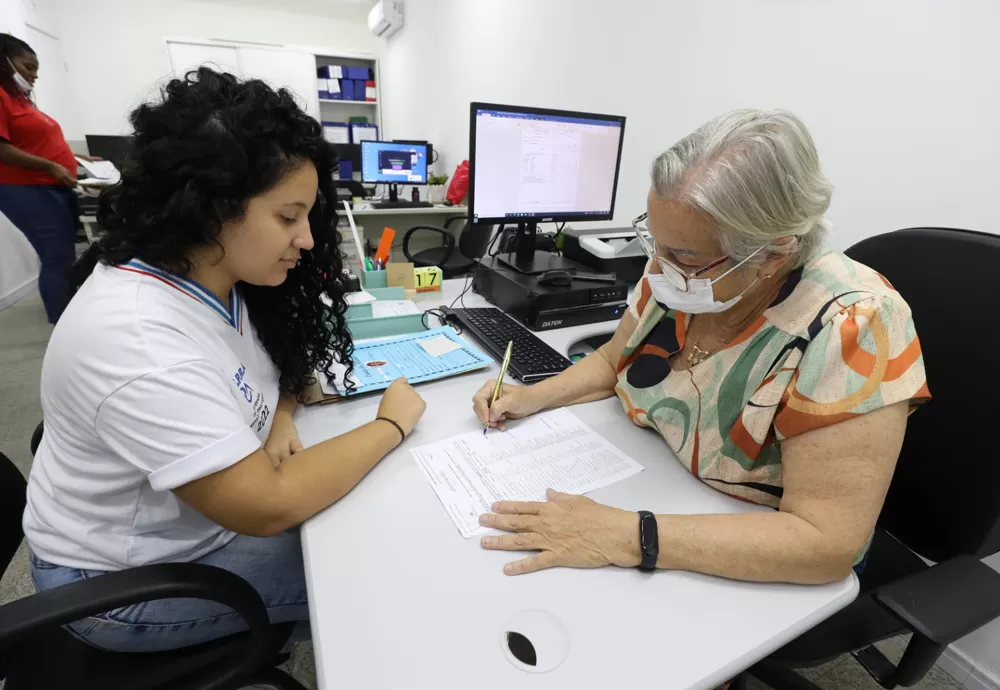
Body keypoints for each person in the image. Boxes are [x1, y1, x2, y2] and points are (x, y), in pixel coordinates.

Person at [23, 67, 427, 653]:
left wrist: (282, 416)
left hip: (197, 529)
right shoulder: (138, 336)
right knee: (380, 575)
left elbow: (272, 369)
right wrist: (390, 423)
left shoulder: (218, 275)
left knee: (373, 522)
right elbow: (267, 504)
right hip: (122, 585)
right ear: (211, 207)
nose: (307, 239)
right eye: (288, 218)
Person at [472, 109, 930, 586]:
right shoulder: (676, 278)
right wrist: (529, 397)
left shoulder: (854, 326)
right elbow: (612, 361)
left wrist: (629, 533)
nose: (656, 266)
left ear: (773, 255)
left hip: (741, 548)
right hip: (656, 485)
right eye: (656, 241)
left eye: (683, 254)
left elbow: (828, 543)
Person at [0, 34, 97, 323]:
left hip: (52, 186)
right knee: (56, 256)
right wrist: (51, 166)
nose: (33, 75)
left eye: (36, 70)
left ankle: (70, 313)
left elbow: (38, 142)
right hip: (27, 189)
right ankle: (62, 320)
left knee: (65, 254)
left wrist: (78, 158)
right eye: (28, 67)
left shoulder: (20, 100)